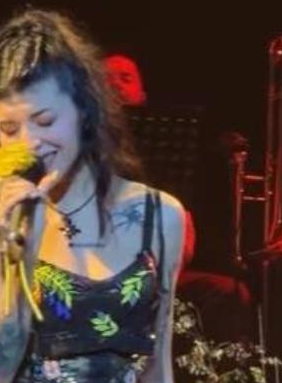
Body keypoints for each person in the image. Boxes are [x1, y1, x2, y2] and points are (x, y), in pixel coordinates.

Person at [0, 9, 186, 383]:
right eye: (9, 128)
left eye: (45, 121)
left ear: (84, 112)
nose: (28, 143)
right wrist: (21, 252)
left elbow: (158, 380)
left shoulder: (158, 216)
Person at [102, 53, 253, 344]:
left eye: (125, 78)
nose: (116, 85)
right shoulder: (78, 144)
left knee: (231, 292)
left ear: (142, 95)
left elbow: (184, 229)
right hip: (95, 275)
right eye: (106, 80)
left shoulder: (166, 149)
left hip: (159, 271)